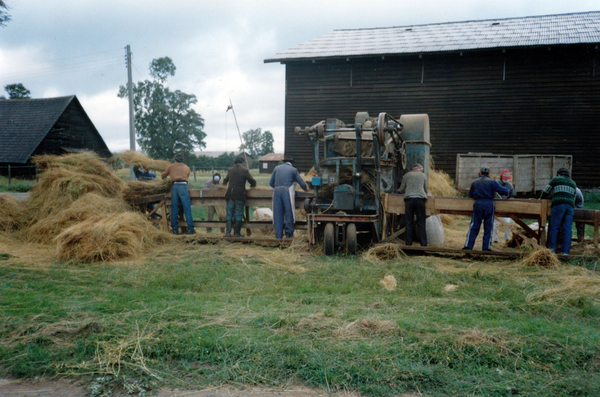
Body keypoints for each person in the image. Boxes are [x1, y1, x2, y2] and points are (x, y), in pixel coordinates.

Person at [463, 166, 509, 251]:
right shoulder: (492, 182)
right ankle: (486, 247)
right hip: (489, 204)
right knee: (488, 226)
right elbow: (504, 191)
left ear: (480, 173)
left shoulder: (474, 182)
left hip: (478, 204)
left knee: (474, 225)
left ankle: (468, 246)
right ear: (489, 174)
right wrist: (507, 190)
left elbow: (470, 195)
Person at [269, 155, 308, 239]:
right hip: (287, 191)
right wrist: (307, 190)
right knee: (288, 212)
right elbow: (302, 183)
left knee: (278, 214)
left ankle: (278, 236)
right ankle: (288, 234)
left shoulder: (276, 168)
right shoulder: (293, 170)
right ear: (292, 163)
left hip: (276, 192)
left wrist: (278, 187)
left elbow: (271, 183)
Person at [540, 168, 576, 254]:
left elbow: (546, 191)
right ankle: (565, 252)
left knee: (554, 228)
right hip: (570, 207)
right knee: (567, 229)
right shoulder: (573, 183)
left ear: (558, 174)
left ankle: (551, 251)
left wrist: (541, 198)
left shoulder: (556, 179)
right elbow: (573, 195)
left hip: (559, 205)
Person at [161, 153, 195, 235]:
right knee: (187, 209)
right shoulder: (187, 167)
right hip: (183, 186)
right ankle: (190, 229)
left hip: (175, 187)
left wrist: (167, 176)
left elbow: (163, 176)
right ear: (182, 160)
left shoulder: (171, 166)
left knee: (174, 209)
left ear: (175, 160)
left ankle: (175, 230)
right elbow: (187, 177)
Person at [223, 157, 256, 237]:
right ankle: (237, 233)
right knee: (238, 214)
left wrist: (223, 186)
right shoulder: (244, 171)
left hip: (230, 194)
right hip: (239, 195)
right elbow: (252, 180)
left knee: (229, 214)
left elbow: (225, 180)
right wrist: (252, 186)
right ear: (242, 163)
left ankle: (227, 233)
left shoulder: (230, 170)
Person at [397, 163, 428, 246]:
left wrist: (398, 191)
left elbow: (401, 189)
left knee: (409, 222)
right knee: (421, 222)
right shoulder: (423, 176)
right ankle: (423, 244)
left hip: (409, 200)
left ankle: (408, 244)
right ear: (420, 169)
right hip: (420, 200)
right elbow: (426, 189)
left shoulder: (406, 175)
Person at [492, 169, 516, 243]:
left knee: (507, 223)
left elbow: (512, 195)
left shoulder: (509, 185)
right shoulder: (496, 183)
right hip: (496, 206)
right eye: (504, 178)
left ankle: (507, 238)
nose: (506, 180)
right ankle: (495, 239)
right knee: (495, 223)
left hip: (505, 207)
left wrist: (509, 199)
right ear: (501, 177)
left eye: (507, 179)